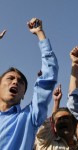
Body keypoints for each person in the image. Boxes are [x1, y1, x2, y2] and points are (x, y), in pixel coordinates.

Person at [0, 18, 58, 150]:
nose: (15, 81)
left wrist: (40, 33)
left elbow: (49, 76)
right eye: (10, 78)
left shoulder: (29, 118)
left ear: (23, 95)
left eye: (20, 82)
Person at [34, 84, 78, 150]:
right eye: (59, 120)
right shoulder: (47, 142)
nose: (62, 121)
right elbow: (48, 125)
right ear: (54, 127)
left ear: (74, 124)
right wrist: (56, 102)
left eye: (65, 118)